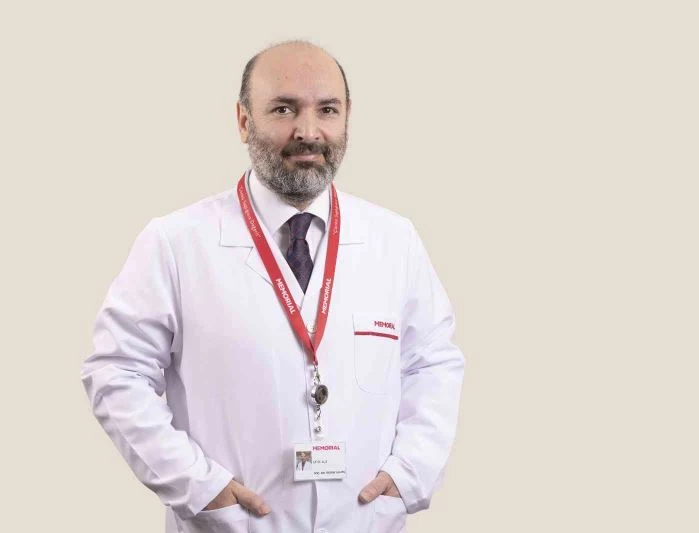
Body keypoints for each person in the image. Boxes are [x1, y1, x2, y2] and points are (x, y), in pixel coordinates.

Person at [81, 40, 465, 533]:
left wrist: (408, 474)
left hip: (363, 519)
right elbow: (117, 371)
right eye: (284, 109)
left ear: (347, 118)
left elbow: (433, 363)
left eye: (327, 110)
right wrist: (198, 486)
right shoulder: (175, 243)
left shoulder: (395, 240)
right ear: (244, 121)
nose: (308, 131)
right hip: (234, 523)